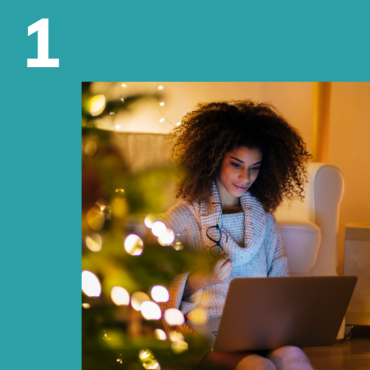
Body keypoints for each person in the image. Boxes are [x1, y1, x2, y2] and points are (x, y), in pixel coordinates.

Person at [161, 100, 315, 370]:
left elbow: (279, 282)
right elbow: (155, 288)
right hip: (205, 331)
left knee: (294, 357)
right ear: (214, 157)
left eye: (254, 167)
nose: (245, 177)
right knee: (257, 366)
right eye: (236, 164)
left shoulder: (265, 221)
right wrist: (199, 280)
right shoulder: (182, 219)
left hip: (259, 327)